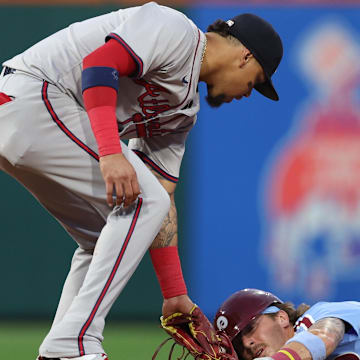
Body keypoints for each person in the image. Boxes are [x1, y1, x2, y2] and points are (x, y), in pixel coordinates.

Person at [0, 2, 282, 360]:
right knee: (142, 202)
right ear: (245, 56)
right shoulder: (175, 30)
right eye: (255, 81)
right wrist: (110, 152)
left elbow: (161, 195)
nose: (246, 93)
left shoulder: (183, 112)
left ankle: (60, 348)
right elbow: (99, 65)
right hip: (33, 96)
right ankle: (75, 341)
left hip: (31, 121)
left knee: (105, 234)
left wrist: (174, 294)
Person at [214, 288, 360, 360]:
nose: (246, 344)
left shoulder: (316, 316)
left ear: (282, 317)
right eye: (238, 345)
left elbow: (326, 336)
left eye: (250, 328)